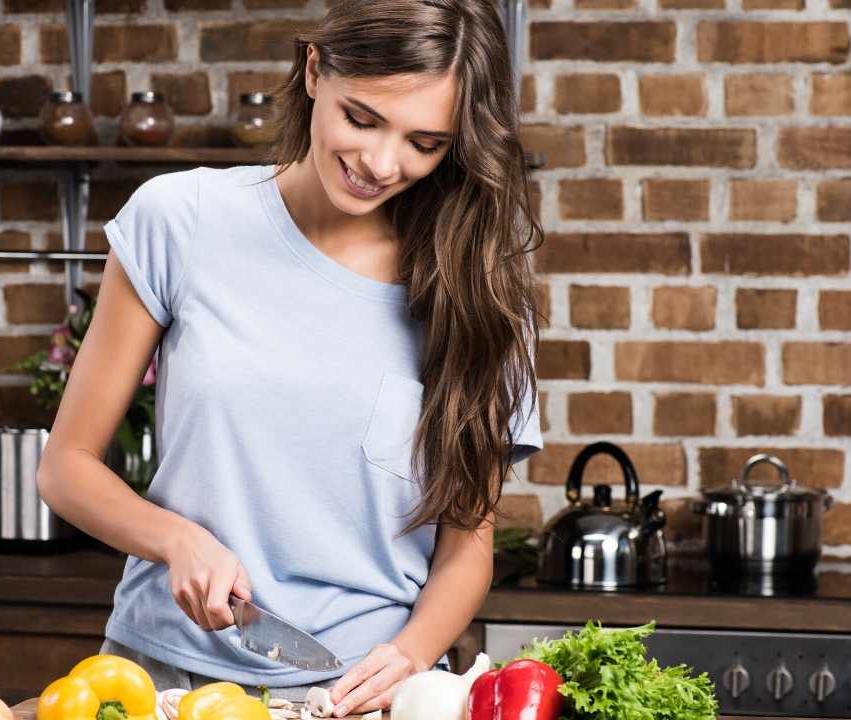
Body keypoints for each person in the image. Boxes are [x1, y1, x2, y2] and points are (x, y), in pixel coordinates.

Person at [36, 0, 544, 714]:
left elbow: (467, 547)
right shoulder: (181, 221)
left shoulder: (483, 300)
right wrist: (177, 539)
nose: (380, 162)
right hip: (156, 684)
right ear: (313, 71)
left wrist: (410, 655)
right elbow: (66, 469)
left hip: (355, 695)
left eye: (424, 143)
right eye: (362, 119)